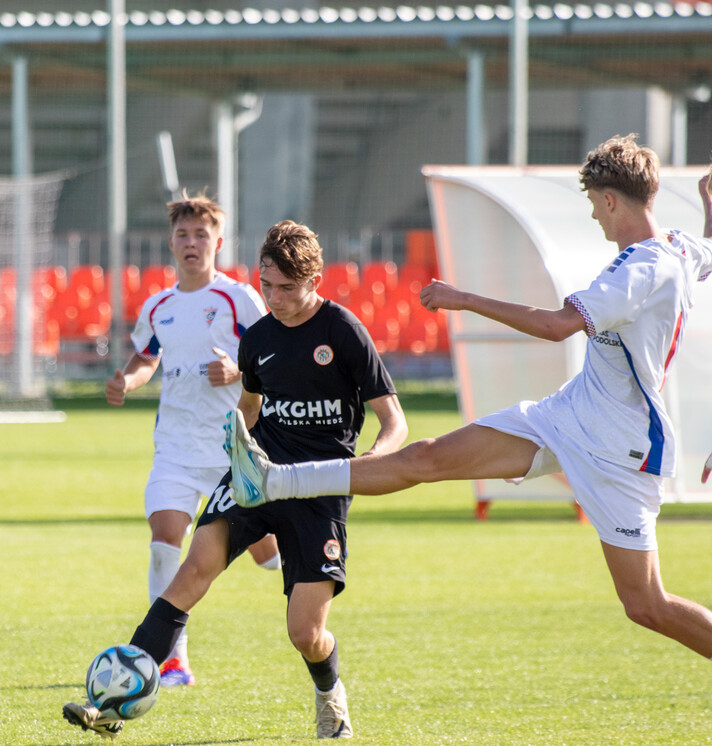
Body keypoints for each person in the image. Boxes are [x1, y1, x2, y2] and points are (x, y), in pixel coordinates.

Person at [228, 135, 712, 661]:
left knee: (645, 604)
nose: (594, 215)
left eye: (594, 203)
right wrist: (708, 201)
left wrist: (463, 299)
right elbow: (706, 253)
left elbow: (555, 327)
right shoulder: (678, 246)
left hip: (621, 449)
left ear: (612, 199)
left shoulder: (638, 269)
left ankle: (275, 481)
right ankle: (273, 480)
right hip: (567, 415)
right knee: (426, 456)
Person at [66, 219, 409, 739]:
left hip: (319, 489)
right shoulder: (261, 338)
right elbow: (249, 411)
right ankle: (116, 699)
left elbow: (394, 420)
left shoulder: (342, 331)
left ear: (314, 281)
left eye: (286, 289)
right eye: (266, 285)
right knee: (193, 569)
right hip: (258, 477)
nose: (273, 298)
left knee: (305, 633)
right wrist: (236, 460)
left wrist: (370, 463)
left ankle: (329, 694)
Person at [105, 191, 280, 688]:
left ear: (217, 242)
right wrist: (129, 381)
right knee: (165, 545)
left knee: (268, 558)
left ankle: (279, 542)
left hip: (233, 450)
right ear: (171, 242)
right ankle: (171, 659)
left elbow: (271, 348)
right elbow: (145, 357)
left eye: (201, 234)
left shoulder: (236, 297)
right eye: (182, 234)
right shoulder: (159, 305)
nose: (191, 242)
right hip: (176, 450)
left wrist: (237, 369)